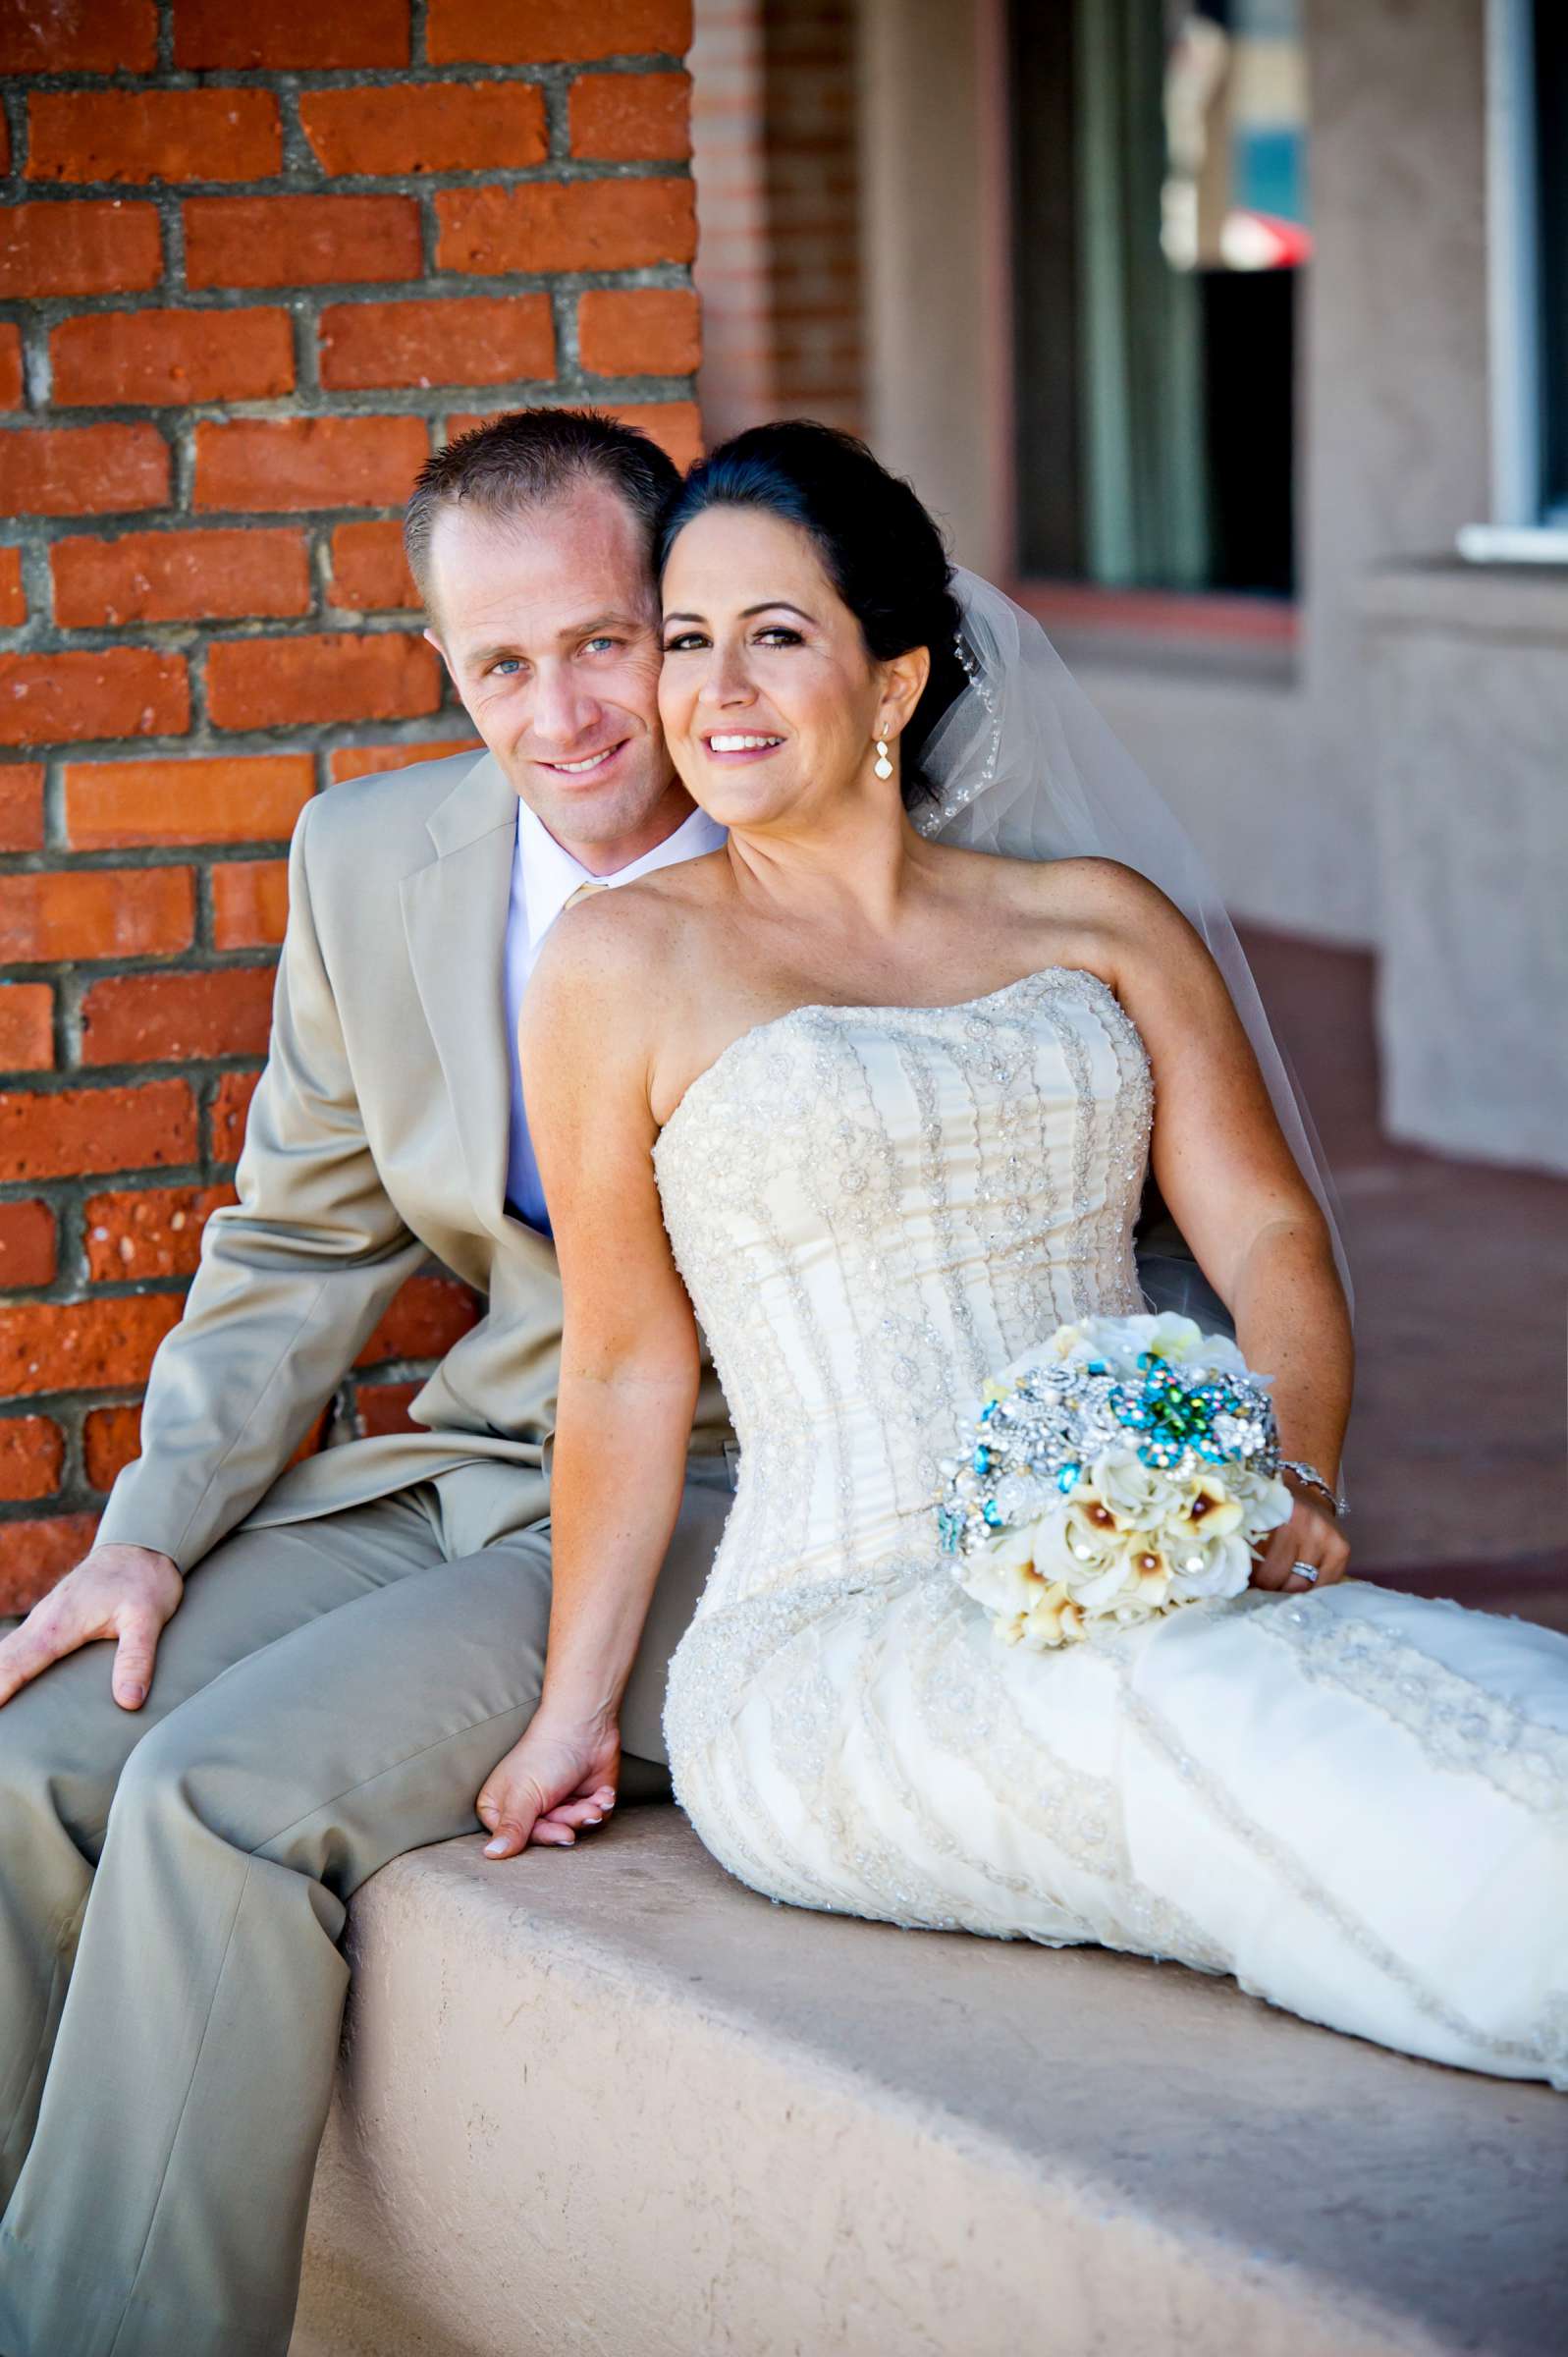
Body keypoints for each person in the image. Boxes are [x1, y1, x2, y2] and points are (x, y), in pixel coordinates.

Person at [509, 421, 1568, 2088]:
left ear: (897, 679)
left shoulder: (1096, 921)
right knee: (1191, 1726)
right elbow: (627, 1361)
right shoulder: (618, 964)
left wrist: (1285, 1478)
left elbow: (1268, 1232)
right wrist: (575, 1712)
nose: (713, 685)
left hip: (1153, 1570)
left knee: (1447, 1684)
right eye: (686, 639)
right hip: (829, 1635)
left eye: (774, 635)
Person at [0, 410, 738, 2357]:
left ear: (684, 622)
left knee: (215, 1805)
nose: (562, 713)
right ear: (443, 666)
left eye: (603, 642)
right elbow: (302, 1241)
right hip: (467, 1462)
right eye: (499, 664)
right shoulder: (373, 854)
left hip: (719, 1503)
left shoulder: (823, 856)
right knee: (28, 1770)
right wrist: (148, 1535)